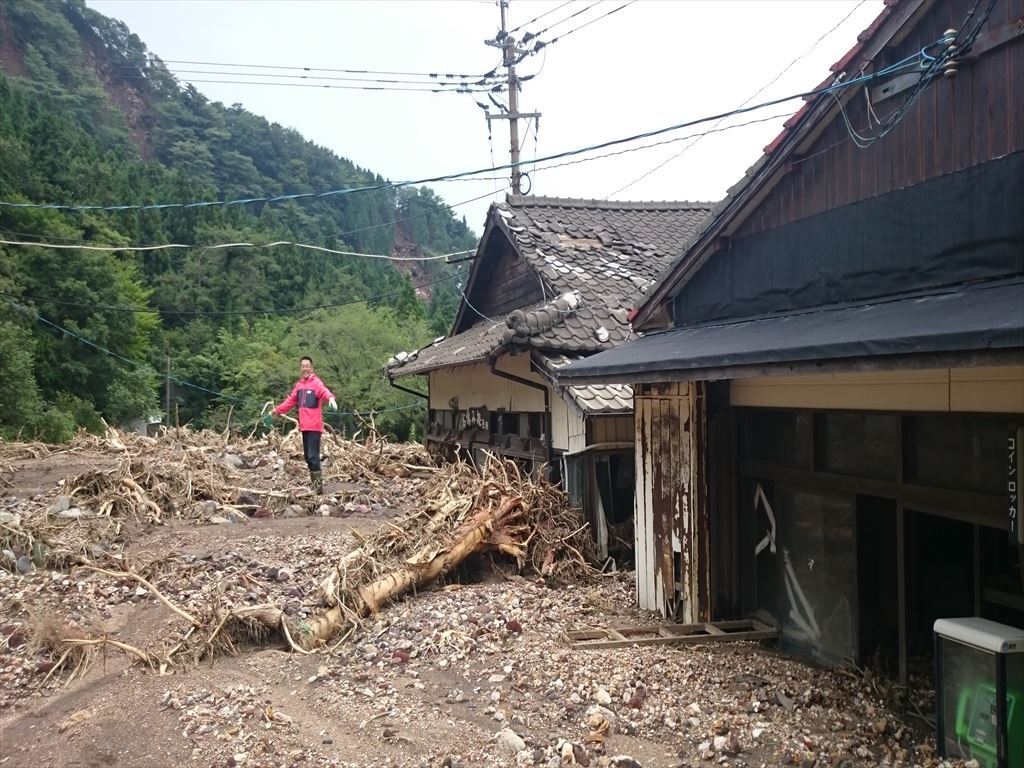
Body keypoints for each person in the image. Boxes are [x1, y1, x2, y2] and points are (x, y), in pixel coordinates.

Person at [265, 355, 337, 492]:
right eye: (303, 366)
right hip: (304, 427)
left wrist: (331, 399)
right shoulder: (299, 386)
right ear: (300, 368)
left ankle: (318, 489)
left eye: (307, 366)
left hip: (314, 426)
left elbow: (324, 391)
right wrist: (276, 410)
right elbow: (290, 401)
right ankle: (315, 485)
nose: (305, 369)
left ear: (312, 368)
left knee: (313, 456)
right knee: (308, 457)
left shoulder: (316, 383)